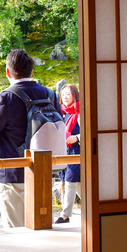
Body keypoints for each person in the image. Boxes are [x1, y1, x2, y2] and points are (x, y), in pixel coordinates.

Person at [0, 49, 56, 228]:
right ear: (32, 71)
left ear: (8, 72)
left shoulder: (6, 97)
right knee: (42, 227)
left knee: (15, 230)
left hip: (12, 172)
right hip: (44, 171)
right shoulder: (50, 95)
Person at [55, 84, 81, 224]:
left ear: (74, 96)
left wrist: (77, 137)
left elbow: (89, 132)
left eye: (68, 94)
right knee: (74, 183)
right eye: (63, 94)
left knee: (70, 181)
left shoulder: (80, 113)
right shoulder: (61, 113)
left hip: (77, 151)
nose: (65, 97)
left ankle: (65, 215)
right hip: (64, 151)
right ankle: (95, 205)